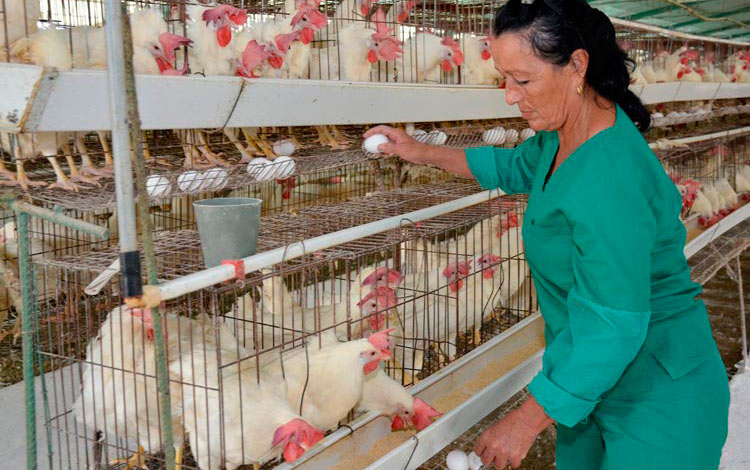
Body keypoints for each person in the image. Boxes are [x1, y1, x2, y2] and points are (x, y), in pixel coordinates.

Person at [363, 0, 730, 468]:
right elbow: (512, 164)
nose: (510, 96)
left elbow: (615, 325)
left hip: (655, 395)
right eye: (504, 78)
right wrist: (419, 151)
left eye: (523, 79)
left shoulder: (610, 179)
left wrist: (527, 420)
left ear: (577, 65)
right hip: (587, 381)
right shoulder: (565, 133)